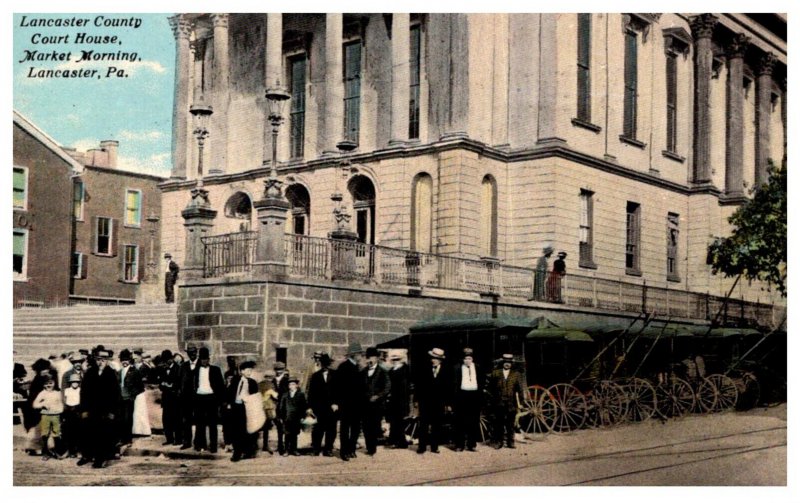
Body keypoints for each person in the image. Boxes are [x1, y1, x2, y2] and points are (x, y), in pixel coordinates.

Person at [79, 348, 121, 469]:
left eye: (103, 360)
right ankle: (87, 456)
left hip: (105, 411)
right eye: (98, 360)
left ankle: (100, 459)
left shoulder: (111, 374)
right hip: (91, 409)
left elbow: (116, 394)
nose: (100, 362)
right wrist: (84, 410)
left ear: (107, 361)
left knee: (103, 435)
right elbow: (84, 392)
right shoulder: (90, 373)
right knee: (88, 433)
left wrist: (112, 412)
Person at [415, 348, 451, 454]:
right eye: (432, 358)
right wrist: (416, 400)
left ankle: (434, 447)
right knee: (423, 425)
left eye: (436, 358)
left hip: (438, 403)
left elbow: (448, 388)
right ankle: (422, 447)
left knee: (436, 425)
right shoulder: (424, 369)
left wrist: (448, 403)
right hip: (425, 402)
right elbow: (419, 386)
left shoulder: (446, 371)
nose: (433, 360)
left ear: (440, 360)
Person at [334, 342, 364, 461]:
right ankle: (344, 451)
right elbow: (337, 387)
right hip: (346, 404)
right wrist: (337, 402)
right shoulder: (343, 367)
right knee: (345, 429)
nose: (361, 356)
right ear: (354, 355)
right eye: (359, 354)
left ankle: (352, 449)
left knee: (356, 428)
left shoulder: (359, 368)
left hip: (357, 404)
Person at [192, 347, 225, 453]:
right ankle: (200, 445)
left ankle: (213, 446)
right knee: (200, 423)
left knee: (212, 423)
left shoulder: (215, 370)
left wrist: (220, 401)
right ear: (200, 360)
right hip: (199, 398)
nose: (204, 361)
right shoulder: (195, 371)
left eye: (206, 359)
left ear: (209, 359)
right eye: (202, 359)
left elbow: (221, 386)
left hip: (211, 398)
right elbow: (192, 385)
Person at [488, 354, 524, 449]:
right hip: (499, 402)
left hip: (511, 403)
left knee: (510, 424)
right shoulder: (496, 373)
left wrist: (520, 402)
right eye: (505, 362)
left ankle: (510, 442)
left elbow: (520, 390)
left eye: (509, 363)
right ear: (502, 363)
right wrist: (493, 400)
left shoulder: (516, 374)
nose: (507, 364)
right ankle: (499, 442)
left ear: (511, 364)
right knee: (499, 423)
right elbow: (491, 388)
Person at [452, 347, 483, 452]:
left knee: (473, 421)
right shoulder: (457, 368)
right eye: (465, 358)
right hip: (462, 396)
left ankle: (471, 444)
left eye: (469, 358)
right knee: (460, 421)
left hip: (474, 396)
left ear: (472, 359)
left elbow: (481, 382)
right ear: (462, 359)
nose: (467, 361)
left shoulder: (478, 368)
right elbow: (454, 384)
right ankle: (459, 445)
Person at [227, 361, 259, 462]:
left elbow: (255, 397)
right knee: (236, 430)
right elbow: (230, 392)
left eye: (251, 370)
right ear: (242, 371)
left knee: (245, 431)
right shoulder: (236, 380)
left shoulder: (252, 383)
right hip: (236, 407)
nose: (249, 372)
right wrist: (229, 403)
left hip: (246, 408)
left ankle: (247, 451)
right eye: (247, 370)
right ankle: (237, 452)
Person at [361, 347, 390, 456]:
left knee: (373, 426)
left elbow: (387, 388)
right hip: (365, 404)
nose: (370, 359)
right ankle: (369, 447)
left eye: (372, 357)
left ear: (377, 358)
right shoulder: (363, 371)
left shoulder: (382, 372)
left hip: (377, 405)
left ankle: (372, 448)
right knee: (365, 426)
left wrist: (377, 396)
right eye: (368, 357)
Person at [306, 354, 337, 456]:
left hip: (332, 407)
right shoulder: (315, 376)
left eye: (327, 364)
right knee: (318, 428)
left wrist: (336, 403)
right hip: (319, 407)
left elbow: (339, 391)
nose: (326, 366)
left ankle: (328, 449)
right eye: (324, 364)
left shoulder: (335, 375)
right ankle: (316, 448)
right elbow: (311, 393)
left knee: (331, 429)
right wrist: (310, 407)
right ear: (321, 364)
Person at [32, 376, 65, 459]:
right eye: (46, 384)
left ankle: (57, 452)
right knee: (45, 434)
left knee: (56, 434)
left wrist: (60, 410)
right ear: (43, 385)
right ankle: (46, 453)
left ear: (54, 383)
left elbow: (61, 403)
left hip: (55, 415)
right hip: (46, 415)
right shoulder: (42, 393)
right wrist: (42, 404)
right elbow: (34, 404)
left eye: (50, 383)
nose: (48, 385)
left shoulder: (57, 393)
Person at [118, 349, 144, 447]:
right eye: (123, 360)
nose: (124, 362)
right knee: (120, 419)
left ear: (129, 360)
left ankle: (128, 439)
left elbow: (140, 387)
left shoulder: (135, 372)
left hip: (129, 399)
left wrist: (132, 395)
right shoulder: (119, 371)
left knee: (128, 419)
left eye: (126, 360)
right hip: (120, 399)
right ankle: (122, 439)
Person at [386, 353, 412, 449]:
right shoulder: (391, 371)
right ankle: (394, 440)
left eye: (397, 359)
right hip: (393, 400)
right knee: (393, 421)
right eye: (394, 359)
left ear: (401, 360)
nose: (395, 361)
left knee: (400, 421)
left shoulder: (405, 370)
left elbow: (405, 387)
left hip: (401, 399)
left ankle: (401, 442)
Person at [277, 377, 307, 456]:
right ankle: (286, 450)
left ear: (297, 385)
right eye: (290, 384)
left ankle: (294, 449)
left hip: (296, 418)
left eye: (293, 384)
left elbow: (303, 407)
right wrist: (280, 416)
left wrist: (303, 417)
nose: (291, 386)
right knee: (287, 434)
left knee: (294, 434)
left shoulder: (301, 395)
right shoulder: (285, 395)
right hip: (287, 417)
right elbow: (281, 406)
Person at [158, 350, 182, 446]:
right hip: (166, 398)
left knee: (176, 419)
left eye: (168, 360)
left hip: (175, 398)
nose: (166, 362)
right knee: (166, 419)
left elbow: (180, 383)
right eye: (165, 360)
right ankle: (169, 438)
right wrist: (163, 384)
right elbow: (160, 383)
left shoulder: (178, 368)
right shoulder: (163, 369)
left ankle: (178, 439)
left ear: (172, 359)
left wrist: (171, 386)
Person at [178, 345, 199, 450]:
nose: (192, 355)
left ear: (197, 352)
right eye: (190, 353)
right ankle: (187, 442)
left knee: (199, 420)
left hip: (199, 398)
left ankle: (198, 443)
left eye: (194, 352)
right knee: (186, 421)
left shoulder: (201, 365)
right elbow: (179, 381)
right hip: (186, 398)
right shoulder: (183, 366)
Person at [271, 361, 290, 455]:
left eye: (281, 369)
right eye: (277, 369)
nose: (279, 371)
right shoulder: (273, 380)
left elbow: (287, 393)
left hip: (285, 405)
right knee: (279, 426)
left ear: (284, 369)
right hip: (276, 405)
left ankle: (286, 448)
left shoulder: (287, 380)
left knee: (285, 427)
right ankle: (280, 446)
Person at [62, 373, 82, 458]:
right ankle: (70, 451)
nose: (75, 383)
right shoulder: (67, 390)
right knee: (68, 432)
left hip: (77, 411)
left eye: (77, 382)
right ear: (70, 382)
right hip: (69, 411)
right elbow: (64, 401)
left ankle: (79, 451)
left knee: (78, 432)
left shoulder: (80, 390)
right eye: (73, 382)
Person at [258, 370, 278, 454]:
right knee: (272, 426)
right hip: (269, 408)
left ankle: (262, 446)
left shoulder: (259, 384)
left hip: (260, 407)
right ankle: (266, 446)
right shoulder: (271, 385)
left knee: (262, 427)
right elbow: (275, 396)